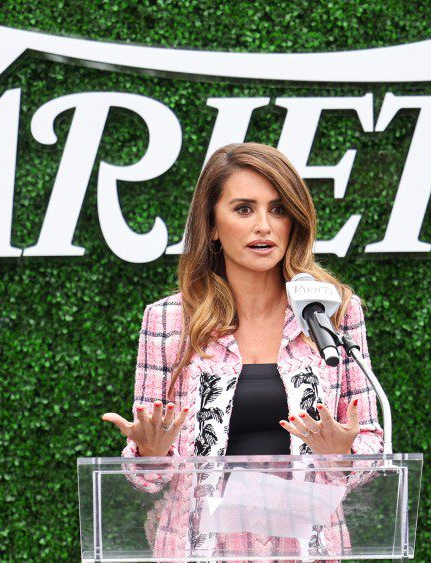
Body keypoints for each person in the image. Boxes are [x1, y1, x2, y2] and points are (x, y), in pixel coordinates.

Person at [101, 142, 384, 560]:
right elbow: (146, 476)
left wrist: (343, 453)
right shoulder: (167, 321)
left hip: (309, 550)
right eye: (244, 209)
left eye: (278, 209)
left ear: (295, 222)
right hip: (198, 551)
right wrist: (151, 452)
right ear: (212, 224)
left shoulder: (335, 311)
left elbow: (371, 444)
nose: (264, 227)